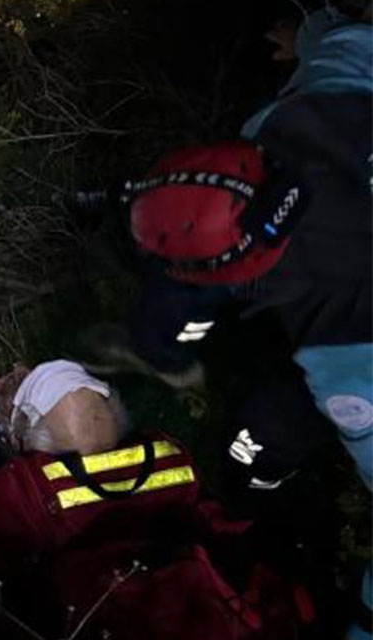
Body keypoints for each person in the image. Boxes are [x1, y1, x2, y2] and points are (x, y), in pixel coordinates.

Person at [80, 7, 371, 636]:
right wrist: (310, 36)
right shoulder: (307, 112)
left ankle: (265, 500)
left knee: (256, 446)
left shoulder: (343, 353)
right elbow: (352, 44)